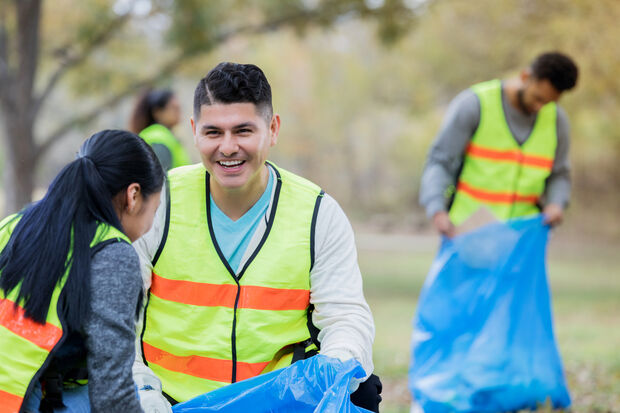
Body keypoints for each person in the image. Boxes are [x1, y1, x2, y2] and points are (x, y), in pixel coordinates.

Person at [132, 62, 381, 412]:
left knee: (363, 388)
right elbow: (116, 322)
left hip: (279, 402)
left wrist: (334, 370)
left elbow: (346, 317)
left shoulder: (317, 213)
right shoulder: (157, 204)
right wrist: (142, 393)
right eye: (213, 132)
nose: (228, 147)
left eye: (243, 131)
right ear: (193, 131)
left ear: (273, 128)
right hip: (172, 402)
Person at [0, 130, 164, 412]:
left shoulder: (16, 224)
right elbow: (112, 397)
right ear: (133, 196)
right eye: (155, 209)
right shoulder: (112, 254)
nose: (151, 224)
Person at [419, 51, 579, 235]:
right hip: (467, 232)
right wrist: (436, 208)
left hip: (522, 236)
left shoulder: (557, 121)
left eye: (549, 102)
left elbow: (559, 174)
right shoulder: (474, 105)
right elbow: (440, 161)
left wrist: (556, 203)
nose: (540, 108)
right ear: (525, 77)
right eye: (537, 98)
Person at [129, 89, 192, 171]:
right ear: (158, 112)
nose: (178, 111)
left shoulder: (165, 135)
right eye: (174, 108)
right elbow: (160, 178)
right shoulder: (157, 137)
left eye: (179, 107)